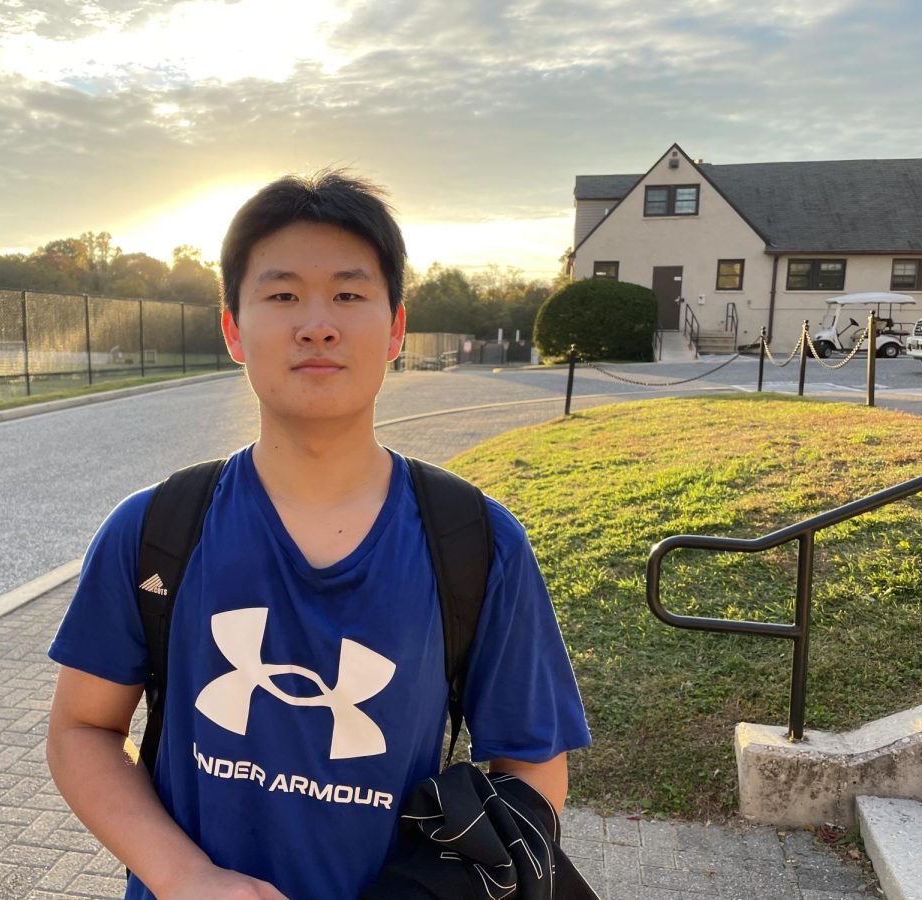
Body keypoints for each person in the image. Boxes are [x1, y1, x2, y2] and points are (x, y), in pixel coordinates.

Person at [46, 170, 591, 899]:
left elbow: (531, 772)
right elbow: (82, 731)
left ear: (396, 327)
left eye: (348, 293)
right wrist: (187, 878)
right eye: (281, 295)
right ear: (233, 329)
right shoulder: (152, 532)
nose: (316, 323)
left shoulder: (478, 544)